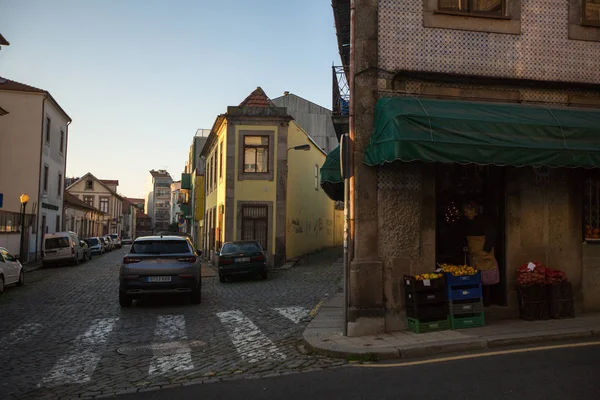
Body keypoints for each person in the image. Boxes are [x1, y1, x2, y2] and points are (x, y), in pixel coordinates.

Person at [460, 200, 499, 306]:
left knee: (486, 277)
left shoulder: (484, 222)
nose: (466, 213)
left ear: (474, 210)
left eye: (467, 211)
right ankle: (476, 298)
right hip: (473, 254)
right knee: (474, 276)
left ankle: (487, 300)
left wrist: (485, 250)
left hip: (483, 254)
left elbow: (491, 235)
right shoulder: (467, 223)